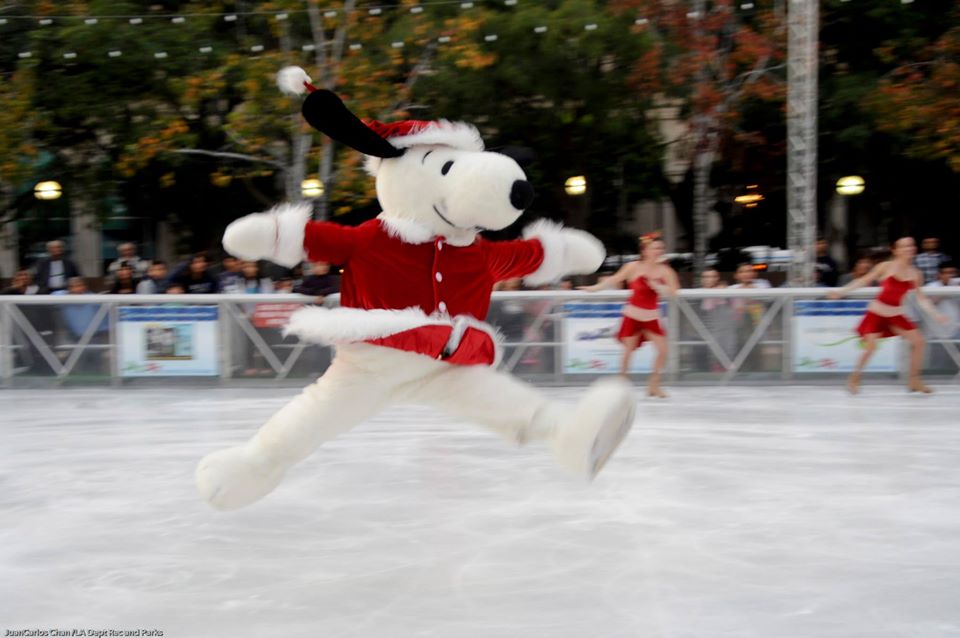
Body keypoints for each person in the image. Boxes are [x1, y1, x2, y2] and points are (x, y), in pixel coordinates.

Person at [828, 237, 948, 394]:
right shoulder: (885, 266)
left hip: (896, 315)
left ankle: (914, 380)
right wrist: (841, 292)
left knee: (919, 342)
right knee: (870, 348)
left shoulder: (916, 273)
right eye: (904, 246)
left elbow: (921, 299)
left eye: (911, 245)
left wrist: (935, 314)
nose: (909, 248)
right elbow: (863, 280)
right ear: (895, 250)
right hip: (877, 314)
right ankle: (855, 377)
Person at [579, 233, 680, 397]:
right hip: (632, 316)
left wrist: (660, 288)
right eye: (655, 248)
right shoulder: (633, 267)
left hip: (651, 317)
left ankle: (654, 385)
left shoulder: (665, 270)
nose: (659, 250)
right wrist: (594, 288)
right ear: (645, 250)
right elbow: (614, 279)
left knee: (663, 350)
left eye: (661, 248)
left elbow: (674, 292)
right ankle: (620, 386)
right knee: (627, 352)